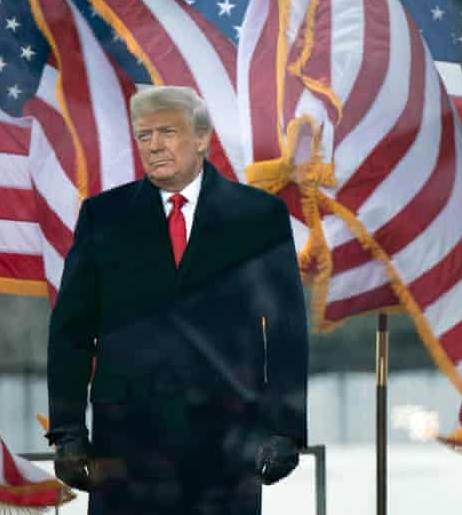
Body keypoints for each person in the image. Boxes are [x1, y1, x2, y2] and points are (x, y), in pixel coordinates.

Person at [45, 85, 308, 515]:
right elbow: (71, 332)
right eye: (144, 135)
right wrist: (68, 430)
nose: (153, 146)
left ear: (202, 139)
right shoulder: (103, 217)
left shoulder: (258, 217)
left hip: (227, 441)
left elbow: (286, 333)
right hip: (126, 444)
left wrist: (285, 429)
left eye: (167, 132)